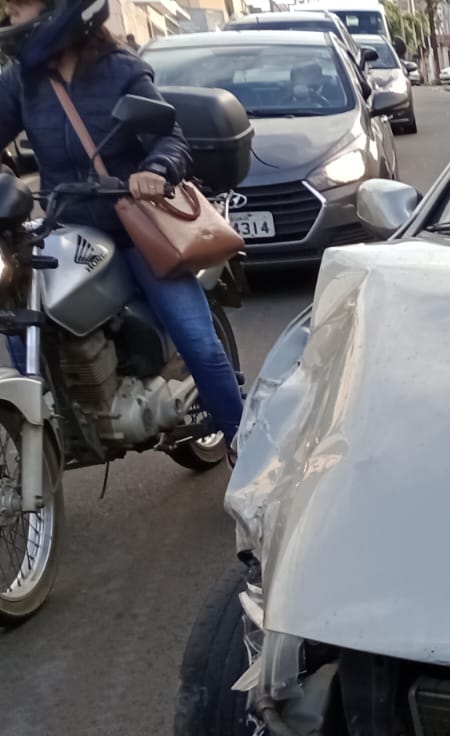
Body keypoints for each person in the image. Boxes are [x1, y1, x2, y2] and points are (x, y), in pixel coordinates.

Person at [0, 0, 244, 450]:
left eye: (19, 10)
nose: (11, 21)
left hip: (136, 231)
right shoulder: (22, 80)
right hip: (66, 231)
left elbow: (170, 138)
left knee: (200, 344)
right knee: (18, 322)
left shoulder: (119, 70)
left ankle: (244, 446)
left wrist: (155, 169)